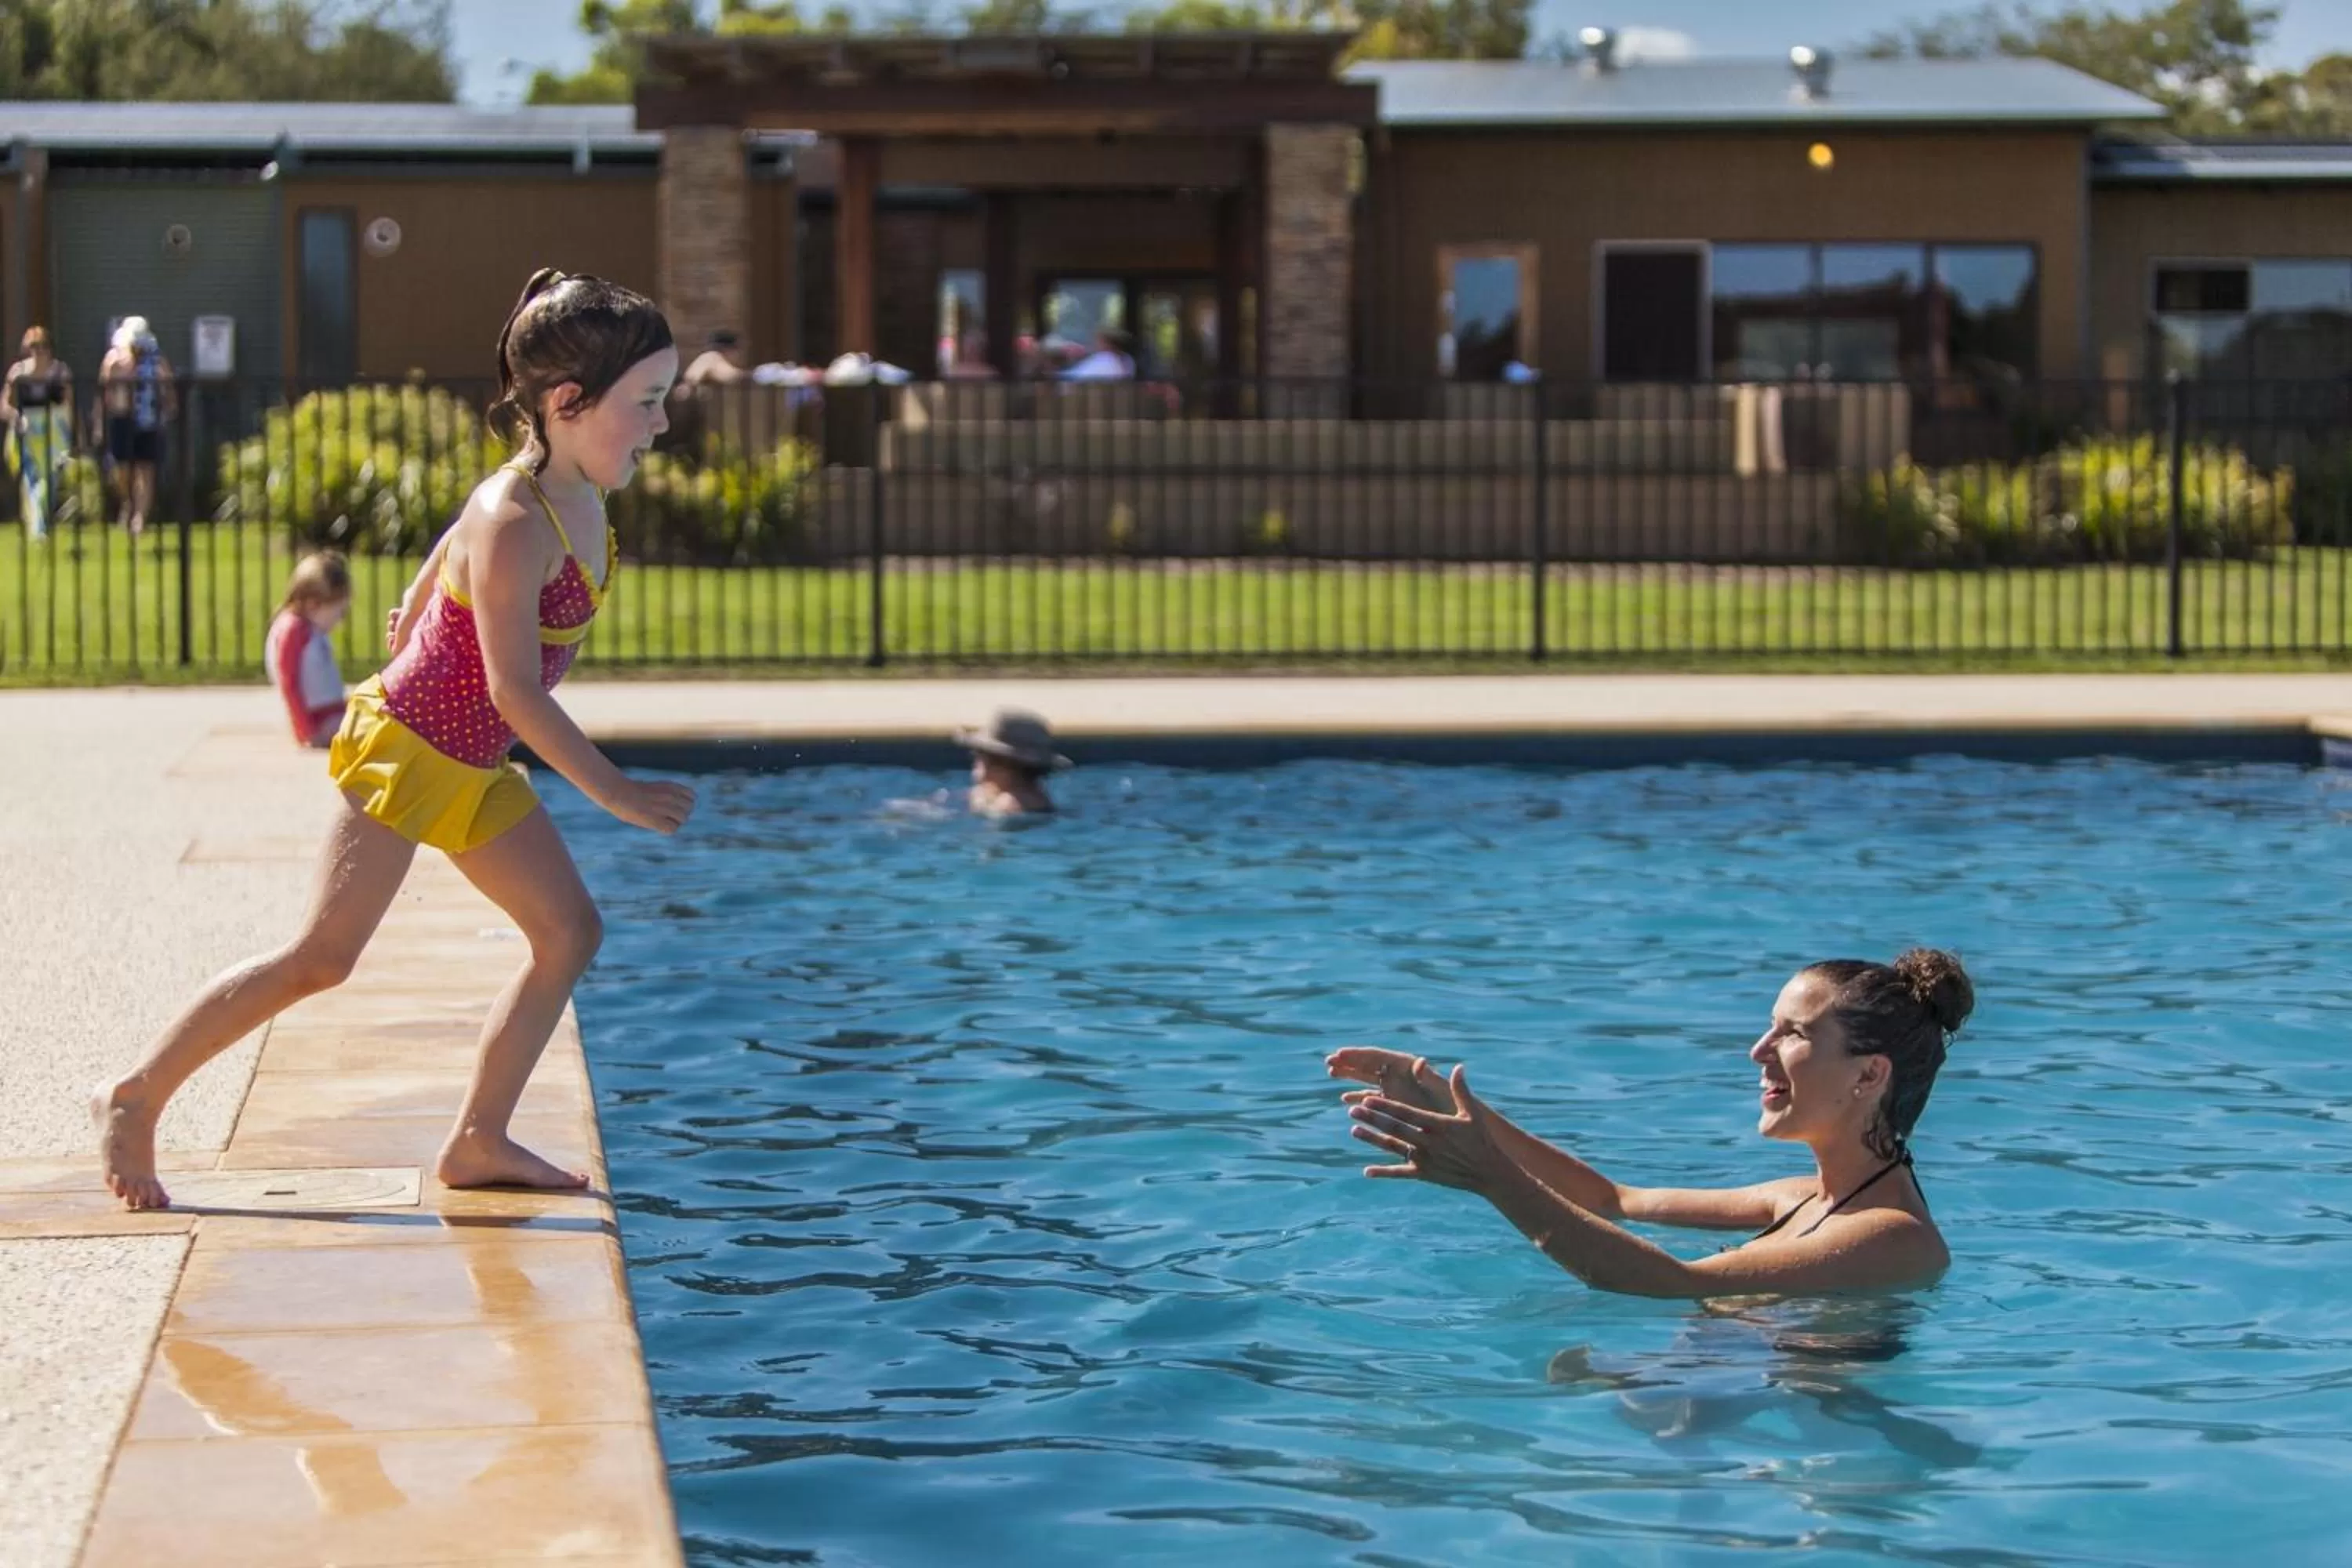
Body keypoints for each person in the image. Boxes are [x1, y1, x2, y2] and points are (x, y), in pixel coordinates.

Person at [94, 268, 696, 1211]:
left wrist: (417, 597)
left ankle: (478, 1136)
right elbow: (513, 686)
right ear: (568, 403)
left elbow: (456, 535)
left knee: (569, 931)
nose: (662, 424)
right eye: (648, 401)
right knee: (323, 957)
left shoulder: (568, 487)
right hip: (411, 747)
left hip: (473, 763)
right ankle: (136, 1092)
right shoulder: (517, 516)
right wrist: (613, 789)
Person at [1331, 949, 1973, 1298]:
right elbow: (1613, 1201)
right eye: (1769, 1026)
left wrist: (1491, 1178)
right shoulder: (1802, 1198)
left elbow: (1666, 1282)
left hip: (1796, 1455)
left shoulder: (1894, 1236)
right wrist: (1445, 1100)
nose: (1758, 1050)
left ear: (1869, 1075)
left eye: (1794, 1034)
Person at [264, 550, 353, 748]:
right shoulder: (294, 630)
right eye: (338, 612)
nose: (340, 620)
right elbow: (289, 682)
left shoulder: (309, 628)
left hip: (329, 712)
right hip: (319, 720)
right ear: (314, 604)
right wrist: (306, 730)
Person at [96, 315, 175, 535]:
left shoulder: (157, 362)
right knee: (121, 469)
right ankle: (127, 501)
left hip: (148, 420)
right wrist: (99, 423)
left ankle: (140, 518)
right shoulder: (114, 360)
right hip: (121, 418)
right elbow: (103, 394)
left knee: (146, 469)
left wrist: (169, 406)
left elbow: (168, 389)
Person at [2, 326, 73, 539]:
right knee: (32, 479)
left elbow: (69, 405)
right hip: (28, 431)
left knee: (50, 479)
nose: (39, 351)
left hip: (55, 431)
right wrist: (16, 417)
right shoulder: (18, 373)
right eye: (34, 346)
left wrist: (75, 433)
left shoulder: (60, 372)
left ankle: (40, 521)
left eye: (44, 346)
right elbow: (4, 406)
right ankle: (39, 528)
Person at [956, 709, 1070, 818]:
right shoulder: (1028, 795)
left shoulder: (1010, 804)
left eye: (979, 753)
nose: (975, 760)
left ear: (1002, 764)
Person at [1061, 328, 1136, 382]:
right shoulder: (1127, 359)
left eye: (1099, 341)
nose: (1095, 344)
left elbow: (1077, 376)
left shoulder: (1106, 359)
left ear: (1108, 344)